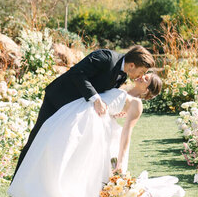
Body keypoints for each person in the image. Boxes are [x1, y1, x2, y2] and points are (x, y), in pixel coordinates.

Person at [7, 73, 185, 197]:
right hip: (84, 115)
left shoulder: (137, 104)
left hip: (95, 127)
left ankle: (55, 193)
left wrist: (120, 162)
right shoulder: (122, 87)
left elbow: (126, 133)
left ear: (147, 90)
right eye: (144, 74)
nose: (141, 76)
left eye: (146, 79)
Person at [11, 45, 155, 180]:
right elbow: (77, 73)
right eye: (141, 72)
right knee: (37, 138)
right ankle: (17, 185)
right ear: (132, 65)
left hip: (75, 109)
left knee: (57, 145)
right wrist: (96, 99)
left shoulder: (123, 75)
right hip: (58, 99)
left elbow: (106, 91)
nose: (139, 76)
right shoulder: (105, 57)